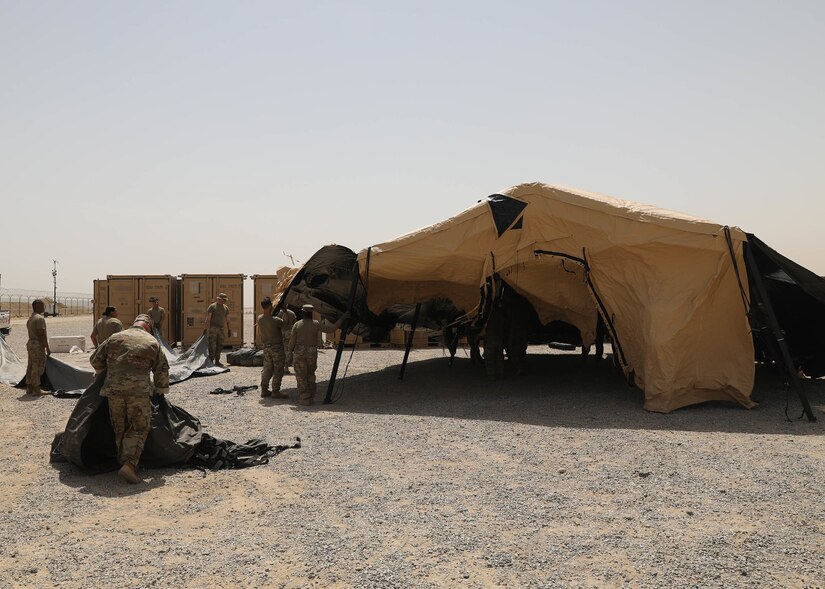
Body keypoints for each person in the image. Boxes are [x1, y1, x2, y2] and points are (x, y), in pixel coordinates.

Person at [90, 314, 170, 484]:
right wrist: (161, 391)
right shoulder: (151, 342)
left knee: (120, 427)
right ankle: (129, 465)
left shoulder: (115, 338)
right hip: (138, 393)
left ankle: (121, 462)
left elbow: (96, 361)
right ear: (148, 327)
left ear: (133, 323)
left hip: (113, 391)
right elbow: (161, 370)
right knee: (139, 427)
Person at [288, 305, 347, 406]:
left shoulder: (297, 325)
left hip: (299, 352)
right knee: (311, 374)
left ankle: (304, 398)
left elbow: (291, 343)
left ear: (303, 312)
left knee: (301, 376)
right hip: (312, 352)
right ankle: (311, 396)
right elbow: (331, 329)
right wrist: (342, 319)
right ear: (312, 313)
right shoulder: (315, 324)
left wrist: (290, 352)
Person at [257, 297, 288, 399]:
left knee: (267, 369)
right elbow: (286, 324)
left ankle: (264, 390)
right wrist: (285, 311)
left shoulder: (260, 319)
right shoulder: (276, 320)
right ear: (270, 306)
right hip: (277, 348)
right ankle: (275, 391)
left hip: (266, 348)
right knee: (278, 370)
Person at [25, 299, 51, 395]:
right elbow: (41, 334)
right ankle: (36, 389)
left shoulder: (30, 318)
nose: (43, 308)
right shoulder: (40, 318)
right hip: (37, 344)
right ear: (37, 307)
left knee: (30, 365)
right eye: (42, 306)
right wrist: (47, 348)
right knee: (37, 365)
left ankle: (29, 387)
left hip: (31, 343)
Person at [203, 293, 231, 366]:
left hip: (221, 329)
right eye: (223, 300)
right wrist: (205, 328)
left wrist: (229, 329)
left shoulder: (225, 308)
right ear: (219, 299)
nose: (224, 301)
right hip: (213, 329)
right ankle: (211, 361)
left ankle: (217, 361)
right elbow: (208, 318)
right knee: (212, 345)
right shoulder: (212, 307)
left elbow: (228, 319)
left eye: (225, 300)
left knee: (220, 345)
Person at [277, 306, 297, 373]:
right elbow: (295, 324)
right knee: (289, 351)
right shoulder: (292, 313)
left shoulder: (278, 313)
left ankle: (284, 367)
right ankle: (290, 367)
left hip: (281, 333)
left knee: (281, 351)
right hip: (289, 334)